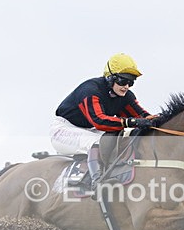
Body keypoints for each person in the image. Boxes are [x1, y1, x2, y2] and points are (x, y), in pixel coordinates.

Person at [50, 53, 156, 188]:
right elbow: (99, 121)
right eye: (123, 81)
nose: (126, 86)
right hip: (64, 129)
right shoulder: (91, 90)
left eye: (131, 82)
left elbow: (143, 116)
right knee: (97, 142)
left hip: (91, 130)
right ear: (110, 78)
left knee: (118, 141)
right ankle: (97, 180)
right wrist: (131, 122)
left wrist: (158, 120)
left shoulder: (125, 96)